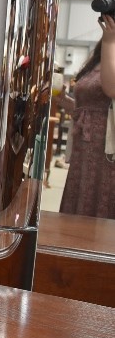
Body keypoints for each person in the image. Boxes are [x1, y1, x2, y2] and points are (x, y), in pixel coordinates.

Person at [58, 13, 115, 218]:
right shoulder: (101, 54)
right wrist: (62, 100)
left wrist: (110, 39)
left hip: (106, 151)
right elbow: (87, 109)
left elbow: (111, 89)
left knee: (99, 201)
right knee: (80, 198)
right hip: (85, 146)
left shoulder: (110, 47)